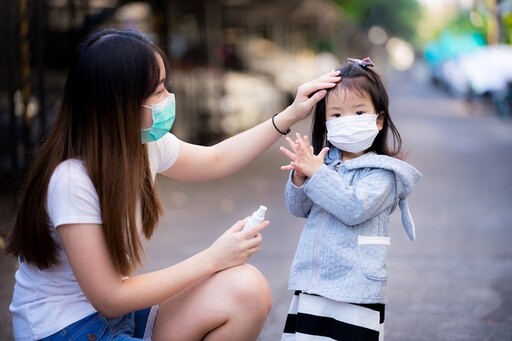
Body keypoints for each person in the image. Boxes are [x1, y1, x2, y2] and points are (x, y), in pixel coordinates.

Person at [5, 28, 341, 341]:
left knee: (248, 291)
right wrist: (214, 258)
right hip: (67, 330)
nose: (169, 97)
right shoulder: (72, 180)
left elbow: (216, 159)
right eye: (158, 90)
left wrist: (290, 115)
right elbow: (110, 298)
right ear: (119, 105)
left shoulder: (145, 146)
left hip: (117, 316)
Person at [279, 57, 422, 341]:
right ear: (326, 122)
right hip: (314, 284)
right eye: (337, 115)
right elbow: (299, 207)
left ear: (378, 120)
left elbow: (353, 207)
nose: (348, 122)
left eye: (359, 113)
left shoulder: (383, 174)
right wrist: (300, 177)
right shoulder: (325, 162)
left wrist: (317, 174)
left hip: (356, 288)